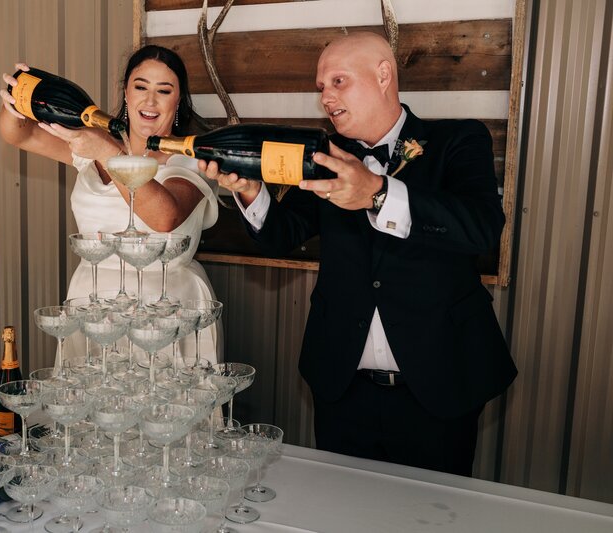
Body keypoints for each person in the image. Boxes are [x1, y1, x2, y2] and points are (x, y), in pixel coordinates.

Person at [201, 32, 517, 476]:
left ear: (383, 75)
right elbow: (282, 234)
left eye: (338, 81)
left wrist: (378, 193)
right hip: (342, 385)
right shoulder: (328, 154)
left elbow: (481, 230)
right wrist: (253, 193)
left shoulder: (458, 140)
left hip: (439, 385)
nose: (326, 97)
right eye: (321, 88)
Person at [0, 45, 221, 367]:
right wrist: (16, 101)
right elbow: (19, 135)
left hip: (165, 308)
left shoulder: (193, 158)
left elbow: (163, 217)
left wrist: (106, 153)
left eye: (164, 90)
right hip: (91, 302)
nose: (150, 100)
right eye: (140, 86)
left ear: (179, 99)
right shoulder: (93, 141)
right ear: (126, 93)